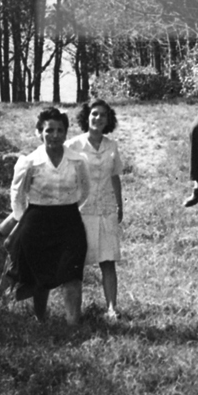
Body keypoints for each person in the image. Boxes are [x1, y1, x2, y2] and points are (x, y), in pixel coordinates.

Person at [0, 107, 89, 325]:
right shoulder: (29, 162)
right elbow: (17, 194)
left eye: (60, 130)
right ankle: (40, 318)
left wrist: (69, 207)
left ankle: (72, 324)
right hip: (37, 219)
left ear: (66, 132)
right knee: (40, 272)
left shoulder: (78, 161)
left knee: (72, 272)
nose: (55, 135)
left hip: (69, 219)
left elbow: (85, 190)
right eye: (49, 130)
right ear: (39, 132)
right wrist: (23, 219)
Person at [72, 98, 128, 321]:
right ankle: (75, 310)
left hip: (105, 209)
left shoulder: (111, 146)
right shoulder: (74, 145)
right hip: (80, 210)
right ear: (87, 117)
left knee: (108, 260)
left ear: (108, 120)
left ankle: (112, 308)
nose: (98, 118)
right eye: (94, 114)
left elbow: (115, 176)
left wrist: (119, 204)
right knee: (77, 261)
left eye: (102, 115)